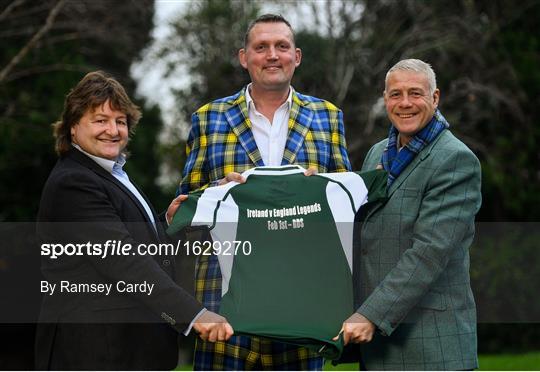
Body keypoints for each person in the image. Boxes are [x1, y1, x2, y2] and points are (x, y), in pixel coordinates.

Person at [178, 14, 351, 370]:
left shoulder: (328, 116)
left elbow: (346, 210)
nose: (272, 55)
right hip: (226, 305)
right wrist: (218, 191)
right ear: (244, 57)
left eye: (281, 46)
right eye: (261, 47)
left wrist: (323, 189)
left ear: (297, 56)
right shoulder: (208, 118)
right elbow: (186, 207)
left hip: (303, 302)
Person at [36, 71, 233, 370]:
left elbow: (132, 241)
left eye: (120, 120)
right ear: (73, 127)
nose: (112, 130)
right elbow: (125, 260)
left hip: (127, 350)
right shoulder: (74, 182)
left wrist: (165, 223)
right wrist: (193, 314)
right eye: (100, 120)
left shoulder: (110, 172)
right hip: (95, 353)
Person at [335, 59, 482, 370]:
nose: (405, 104)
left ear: (435, 98)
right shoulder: (378, 153)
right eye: (395, 94)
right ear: (385, 99)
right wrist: (320, 190)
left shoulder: (455, 160)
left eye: (415, 93)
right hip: (379, 348)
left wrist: (370, 314)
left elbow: (428, 253)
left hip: (431, 347)